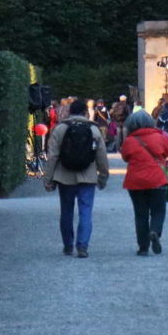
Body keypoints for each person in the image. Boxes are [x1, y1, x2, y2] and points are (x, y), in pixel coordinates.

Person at [44, 98, 110, 257]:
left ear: (69, 111)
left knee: (66, 212)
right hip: (87, 176)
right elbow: (101, 155)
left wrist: (48, 178)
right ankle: (82, 246)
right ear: (85, 112)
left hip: (64, 176)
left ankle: (68, 245)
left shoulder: (60, 129)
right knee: (85, 212)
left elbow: (52, 156)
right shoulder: (94, 130)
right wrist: (103, 176)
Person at [119, 111, 168, 256]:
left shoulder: (130, 140)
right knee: (158, 210)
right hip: (157, 178)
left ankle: (143, 247)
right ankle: (155, 231)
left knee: (140, 214)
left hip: (135, 181)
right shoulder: (159, 136)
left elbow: (125, 157)